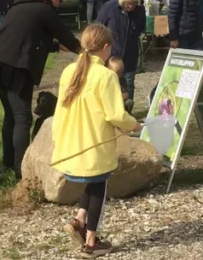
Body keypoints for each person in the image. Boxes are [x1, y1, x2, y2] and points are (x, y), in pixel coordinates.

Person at [53, 24, 141, 258]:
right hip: (95, 142)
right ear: (105, 47)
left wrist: (56, 137)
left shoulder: (69, 71)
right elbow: (116, 115)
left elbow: (60, 108)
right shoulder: (106, 75)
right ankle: (91, 242)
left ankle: (79, 220)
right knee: (99, 187)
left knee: (91, 183)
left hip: (72, 140)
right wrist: (134, 125)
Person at [0, 0, 82, 178]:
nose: (58, 5)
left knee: (11, 115)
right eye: (60, 1)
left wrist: (55, 46)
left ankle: (9, 162)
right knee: (23, 118)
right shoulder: (45, 9)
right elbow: (65, 35)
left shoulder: (20, 5)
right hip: (16, 66)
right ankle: (22, 172)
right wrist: (85, 52)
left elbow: (26, 34)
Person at [97, 0, 146, 113]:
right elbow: (98, 27)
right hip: (111, 55)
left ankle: (127, 113)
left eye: (133, 4)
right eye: (128, 4)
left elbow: (141, 27)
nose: (130, 6)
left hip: (130, 53)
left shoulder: (140, 10)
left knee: (128, 84)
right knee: (109, 84)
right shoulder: (109, 7)